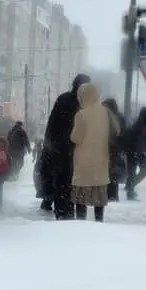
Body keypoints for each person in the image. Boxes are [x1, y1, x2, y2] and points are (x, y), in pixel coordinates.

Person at [43, 73, 91, 220]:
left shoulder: (63, 99)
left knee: (62, 183)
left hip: (61, 150)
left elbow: (51, 124)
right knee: (80, 184)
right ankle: (81, 216)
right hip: (80, 151)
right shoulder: (88, 103)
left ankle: (62, 213)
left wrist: (49, 145)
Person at [70, 83, 118, 222]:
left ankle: (81, 223)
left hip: (84, 162)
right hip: (101, 160)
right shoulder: (106, 112)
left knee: (81, 197)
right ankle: (99, 222)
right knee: (99, 197)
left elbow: (75, 138)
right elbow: (116, 131)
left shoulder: (81, 114)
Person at [124, 106, 146, 200]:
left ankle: (130, 187)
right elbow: (139, 140)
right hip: (136, 152)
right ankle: (130, 190)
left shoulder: (139, 124)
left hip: (133, 152)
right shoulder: (141, 126)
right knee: (142, 170)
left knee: (134, 172)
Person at [102, 98, 126, 202]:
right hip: (116, 148)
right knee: (113, 173)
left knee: (109, 172)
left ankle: (109, 194)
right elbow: (123, 133)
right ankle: (113, 195)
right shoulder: (120, 117)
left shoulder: (106, 117)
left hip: (109, 148)